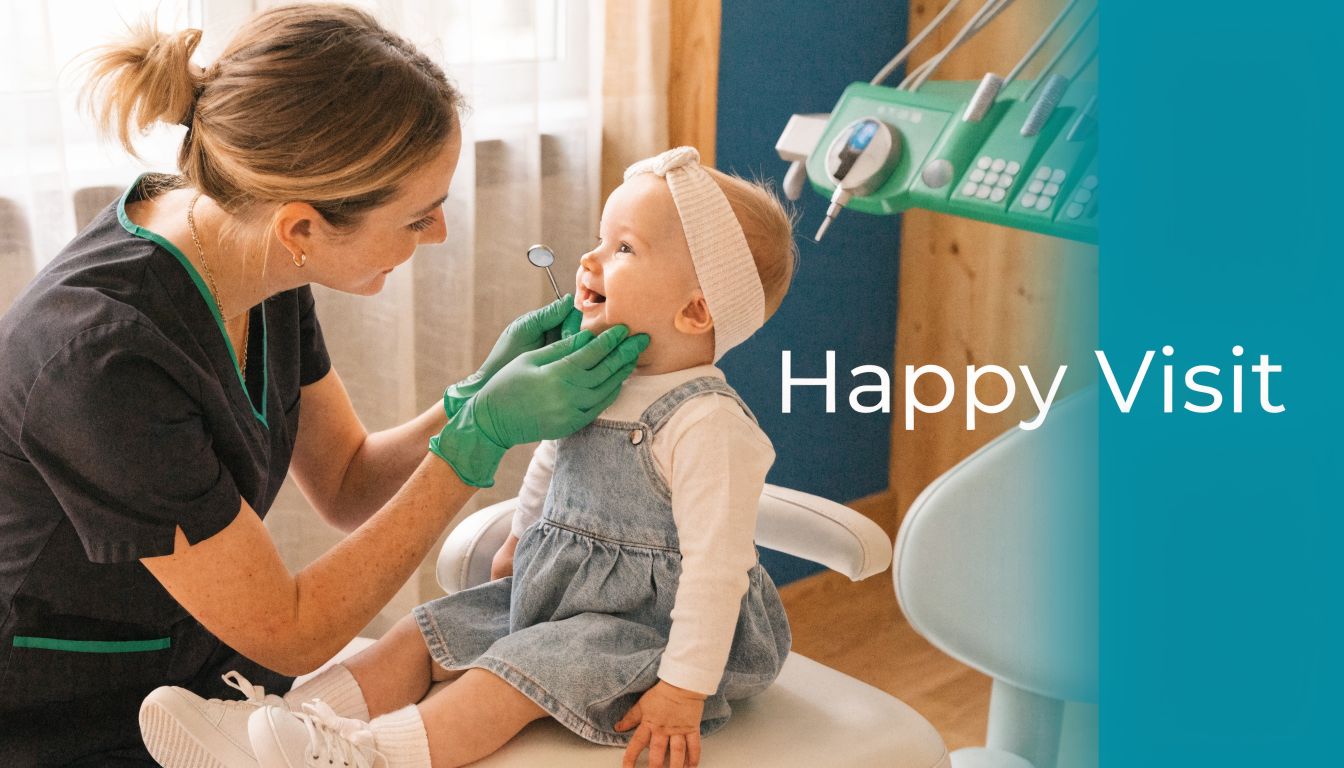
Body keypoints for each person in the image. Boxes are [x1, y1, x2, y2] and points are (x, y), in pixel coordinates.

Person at [0, 5, 646, 765]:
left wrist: (472, 396)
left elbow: (346, 483)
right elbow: (293, 626)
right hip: (66, 714)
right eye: (419, 217)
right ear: (302, 227)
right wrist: (476, 445)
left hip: (205, 669)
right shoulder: (100, 361)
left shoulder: (255, 253)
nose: (438, 234)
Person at [143, 146, 798, 768]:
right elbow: (553, 454)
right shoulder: (596, 373)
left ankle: (370, 755)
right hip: (560, 595)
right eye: (599, 240)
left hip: (646, 631)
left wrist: (683, 690)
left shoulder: (705, 421)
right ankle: (275, 727)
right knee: (424, 633)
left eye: (624, 248)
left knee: (505, 676)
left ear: (693, 311)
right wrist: (523, 531)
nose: (591, 260)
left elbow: (718, 567)